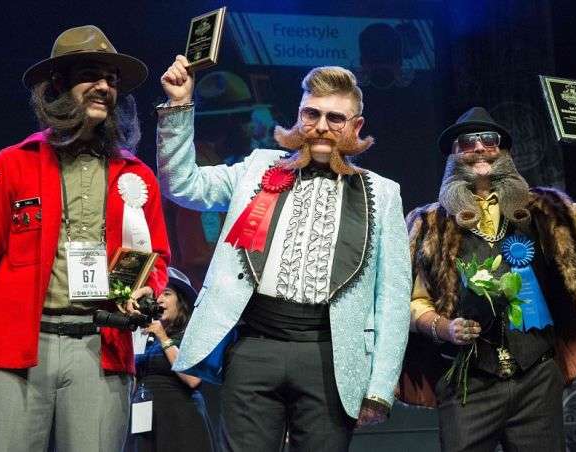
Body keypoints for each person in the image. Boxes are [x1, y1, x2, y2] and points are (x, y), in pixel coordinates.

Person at [156, 56, 411, 451]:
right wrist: (178, 106)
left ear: (356, 126)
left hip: (330, 356)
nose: (321, 126)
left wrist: (379, 386)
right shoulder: (259, 168)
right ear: (299, 115)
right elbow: (182, 185)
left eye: (335, 118)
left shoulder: (383, 192)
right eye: (312, 114)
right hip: (254, 348)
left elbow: (393, 298)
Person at [0, 25, 170, 451]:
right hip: (17, 350)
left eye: (112, 79)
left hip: (101, 350)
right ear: (59, 86)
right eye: (90, 75)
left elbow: (156, 257)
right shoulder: (10, 165)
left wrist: (144, 288)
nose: (104, 86)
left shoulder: (137, 177)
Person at [398, 107, 576, 451]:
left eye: (489, 139)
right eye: (466, 142)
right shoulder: (427, 222)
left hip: (536, 378)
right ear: (453, 155)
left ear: (504, 151)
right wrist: (443, 327)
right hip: (467, 382)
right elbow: (412, 301)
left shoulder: (546, 208)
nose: (479, 148)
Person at [130, 267, 214, 452]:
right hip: (145, 419)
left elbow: (193, 379)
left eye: (166, 294)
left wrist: (163, 337)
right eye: (157, 294)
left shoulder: (190, 335)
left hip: (180, 420)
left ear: (181, 302)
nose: (159, 299)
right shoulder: (145, 336)